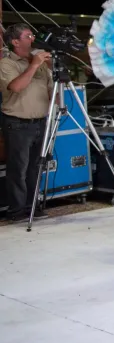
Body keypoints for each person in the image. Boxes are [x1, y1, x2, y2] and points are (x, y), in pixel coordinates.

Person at [0, 24, 52, 222]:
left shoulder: (40, 64)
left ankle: (32, 207)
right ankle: (17, 211)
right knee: (18, 169)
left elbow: (50, 91)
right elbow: (16, 86)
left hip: (40, 122)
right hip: (18, 124)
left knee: (35, 168)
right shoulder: (7, 64)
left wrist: (53, 69)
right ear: (15, 42)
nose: (33, 39)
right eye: (28, 36)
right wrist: (33, 65)